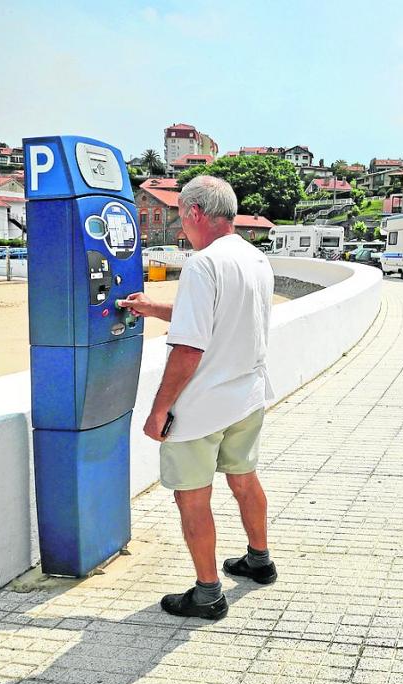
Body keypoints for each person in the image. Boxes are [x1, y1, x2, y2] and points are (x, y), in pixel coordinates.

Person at [119, 175, 277, 620]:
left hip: (204, 405)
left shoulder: (203, 264)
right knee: (244, 478)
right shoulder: (255, 258)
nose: (180, 227)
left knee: (192, 496)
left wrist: (159, 408)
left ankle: (208, 593)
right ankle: (258, 561)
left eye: (179, 218)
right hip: (247, 395)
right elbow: (222, 317)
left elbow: (189, 346)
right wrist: (153, 308)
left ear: (194, 213)